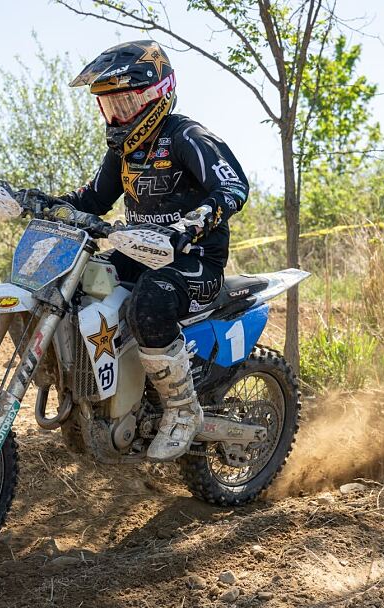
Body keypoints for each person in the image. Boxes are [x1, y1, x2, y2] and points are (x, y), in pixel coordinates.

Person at [53, 40, 249, 461]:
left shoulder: (186, 136)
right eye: (109, 106)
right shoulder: (123, 152)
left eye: (124, 102)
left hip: (194, 262)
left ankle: (182, 410)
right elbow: (91, 200)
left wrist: (189, 225)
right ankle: (100, 397)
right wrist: (45, 203)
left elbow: (233, 186)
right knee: (75, 289)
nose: (116, 115)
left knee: (148, 304)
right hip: (139, 251)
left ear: (155, 96)